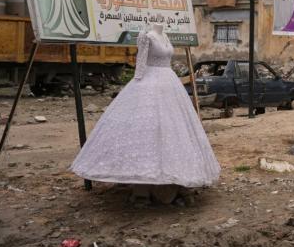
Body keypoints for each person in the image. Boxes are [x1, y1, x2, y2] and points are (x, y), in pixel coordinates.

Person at [71, 24, 221, 195]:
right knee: (147, 127)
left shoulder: (164, 35)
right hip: (149, 81)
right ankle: (143, 180)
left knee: (173, 126)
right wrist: (138, 86)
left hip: (169, 83)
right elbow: (140, 64)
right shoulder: (146, 36)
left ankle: (176, 175)